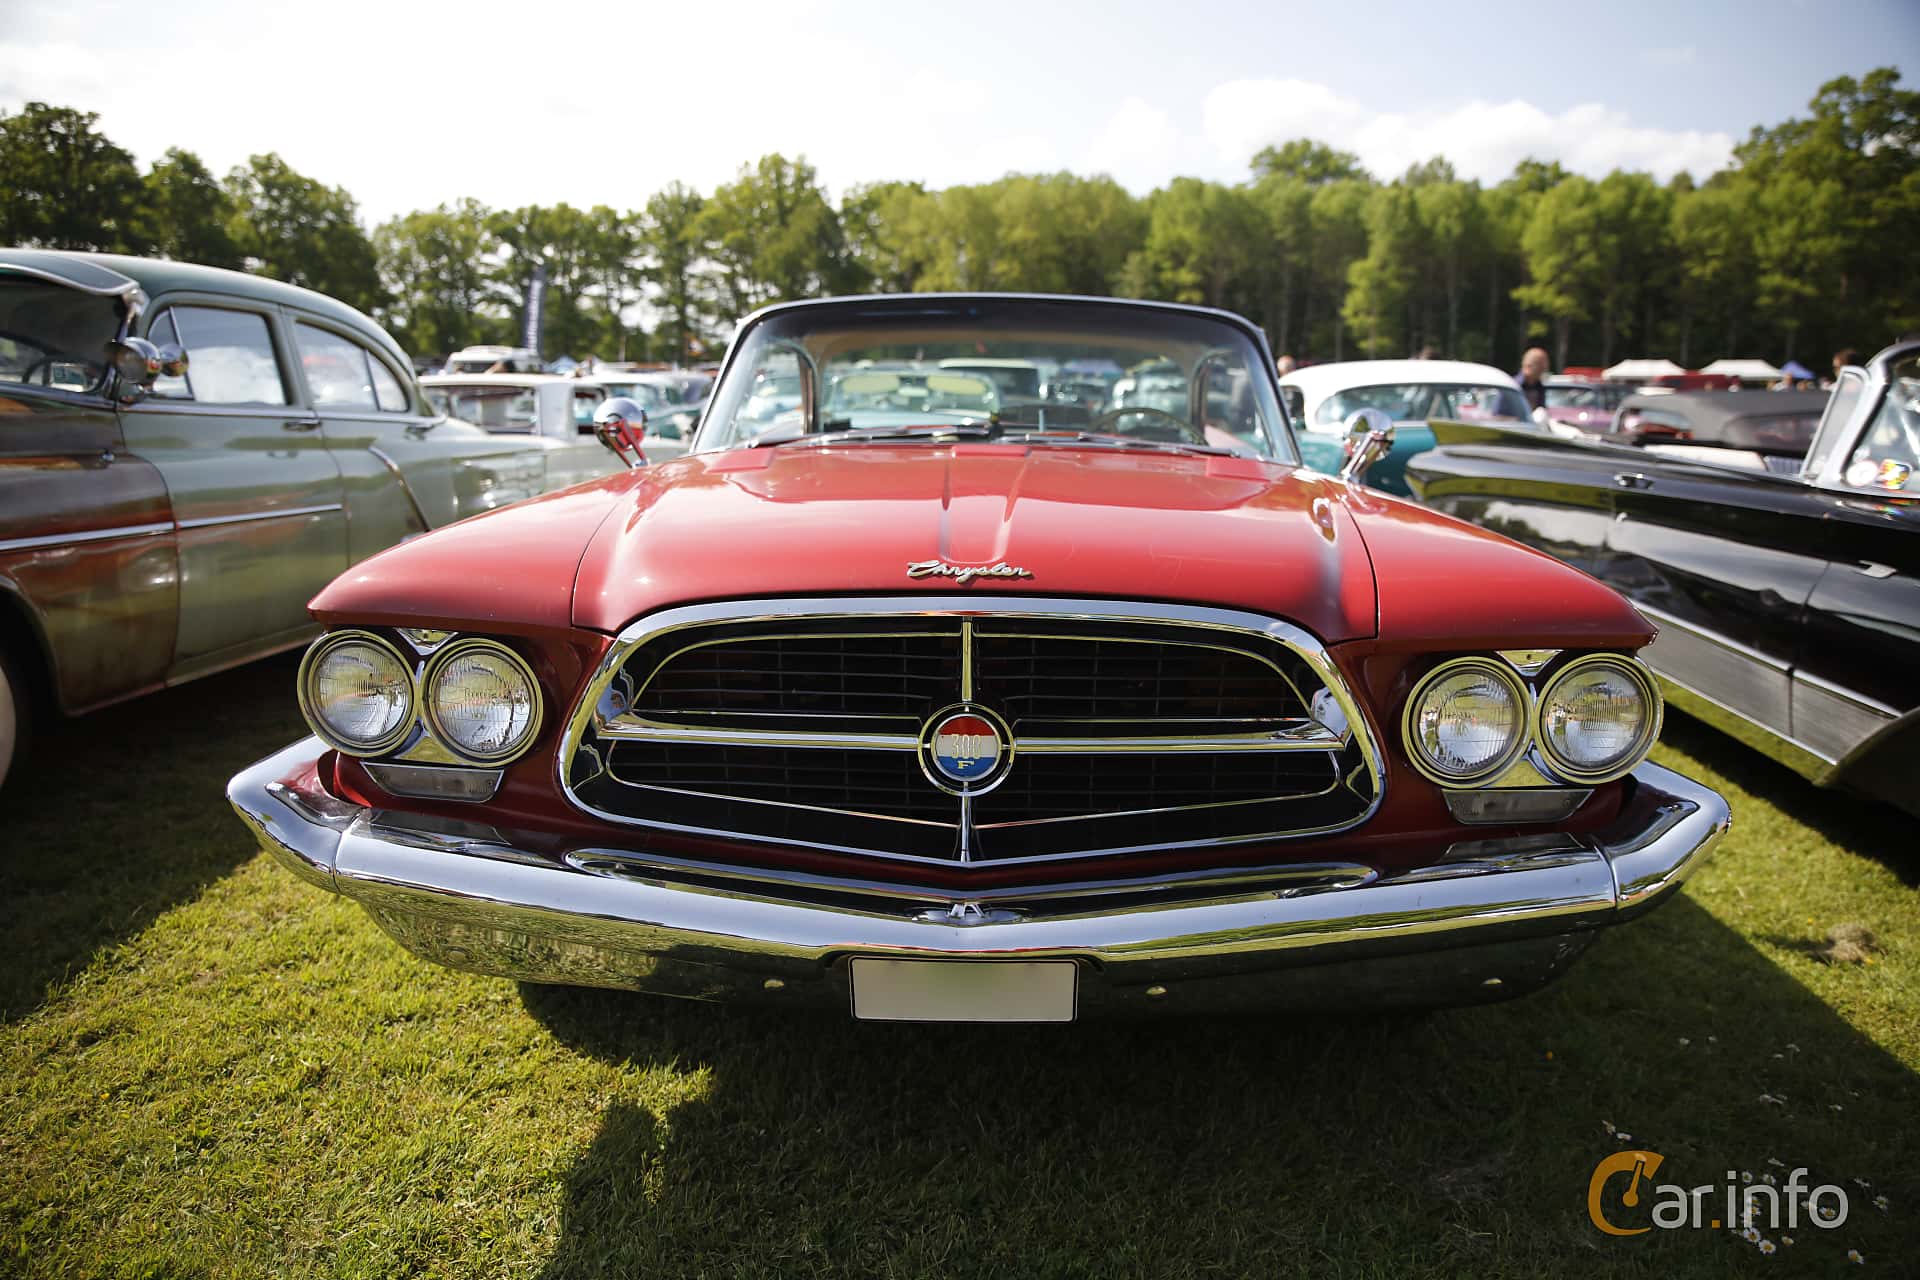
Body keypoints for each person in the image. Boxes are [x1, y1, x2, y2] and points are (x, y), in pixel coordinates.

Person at [1517, 347, 1549, 413]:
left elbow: (1541, 410)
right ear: (1528, 366)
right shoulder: (1513, 386)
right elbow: (1498, 414)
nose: (1543, 371)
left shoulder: (1539, 387)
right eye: (1540, 367)